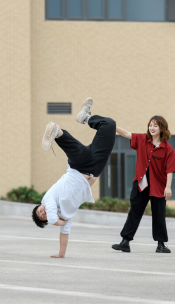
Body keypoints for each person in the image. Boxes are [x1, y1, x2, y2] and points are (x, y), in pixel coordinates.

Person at [32, 98, 114, 258]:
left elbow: (53, 220)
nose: (43, 212)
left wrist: (58, 221)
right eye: (42, 216)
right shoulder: (65, 215)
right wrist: (61, 254)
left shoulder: (47, 199)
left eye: (40, 210)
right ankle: (86, 118)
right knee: (109, 125)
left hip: (79, 167)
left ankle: (57, 132)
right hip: (96, 167)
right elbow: (64, 234)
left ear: (41, 205)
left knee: (73, 148)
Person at [112, 116, 175, 254]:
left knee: (159, 214)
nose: (152, 128)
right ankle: (125, 242)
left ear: (162, 128)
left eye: (155, 125)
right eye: (150, 125)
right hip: (141, 184)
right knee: (134, 212)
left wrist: (168, 187)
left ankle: (161, 244)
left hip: (159, 186)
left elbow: (170, 169)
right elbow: (126, 134)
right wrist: (110, 125)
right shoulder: (142, 139)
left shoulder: (167, 148)